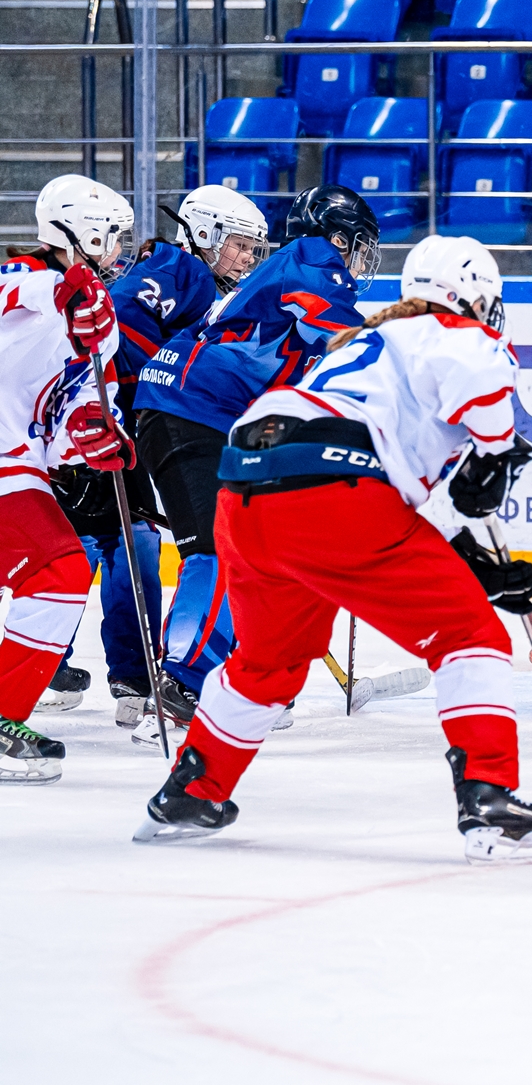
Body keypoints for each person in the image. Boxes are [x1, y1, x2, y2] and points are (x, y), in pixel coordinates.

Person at [136, 234, 532, 863]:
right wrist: (496, 451)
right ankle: (489, 801)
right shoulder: (459, 333)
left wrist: (476, 566)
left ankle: (190, 792)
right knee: (470, 637)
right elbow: (477, 394)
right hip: (335, 490)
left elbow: (402, 504)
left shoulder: (361, 341)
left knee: (268, 663)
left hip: (247, 487)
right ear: (477, 298)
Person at [129, 184, 376, 746]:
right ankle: (183, 686)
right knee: (216, 552)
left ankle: (243, 676)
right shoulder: (313, 257)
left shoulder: (285, 271)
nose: (360, 262)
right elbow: (344, 341)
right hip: (191, 410)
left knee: (258, 546)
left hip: (198, 411)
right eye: (358, 247)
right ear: (338, 239)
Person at [42, 185, 267, 727]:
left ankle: (116, 672)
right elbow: (123, 318)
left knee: (124, 539)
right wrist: (153, 383)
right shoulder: (180, 269)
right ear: (205, 234)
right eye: (239, 244)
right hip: (104, 427)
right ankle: (94, 667)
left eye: (253, 248)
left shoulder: (205, 288)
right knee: (108, 540)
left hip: (120, 428)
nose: (247, 258)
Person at [0, 175, 139, 783]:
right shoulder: (25, 279)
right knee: (57, 569)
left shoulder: (101, 319)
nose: (119, 249)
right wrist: (56, 291)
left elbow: (76, 403)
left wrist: (96, 434)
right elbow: (19, 293)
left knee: (59, 572)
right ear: (85, 233)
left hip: (18, 461)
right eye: (113, 236)